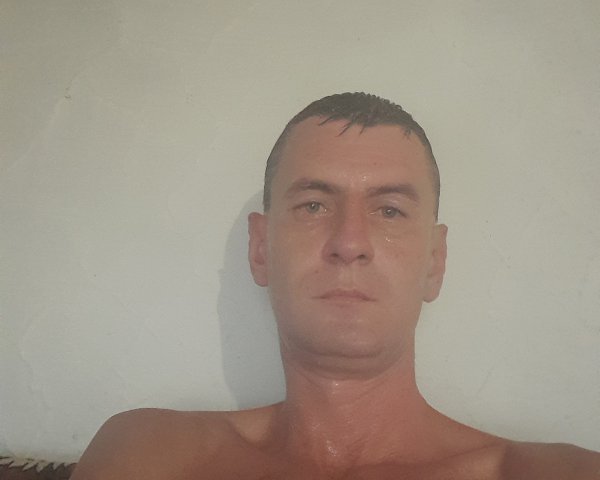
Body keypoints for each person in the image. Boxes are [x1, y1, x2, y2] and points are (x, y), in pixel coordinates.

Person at [72, 93, 600, 479]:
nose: (349, 242)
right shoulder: (150, 457)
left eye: (389, 210)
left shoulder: (559, 475)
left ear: (434, 262)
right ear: (261, 250)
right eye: (314, 206)